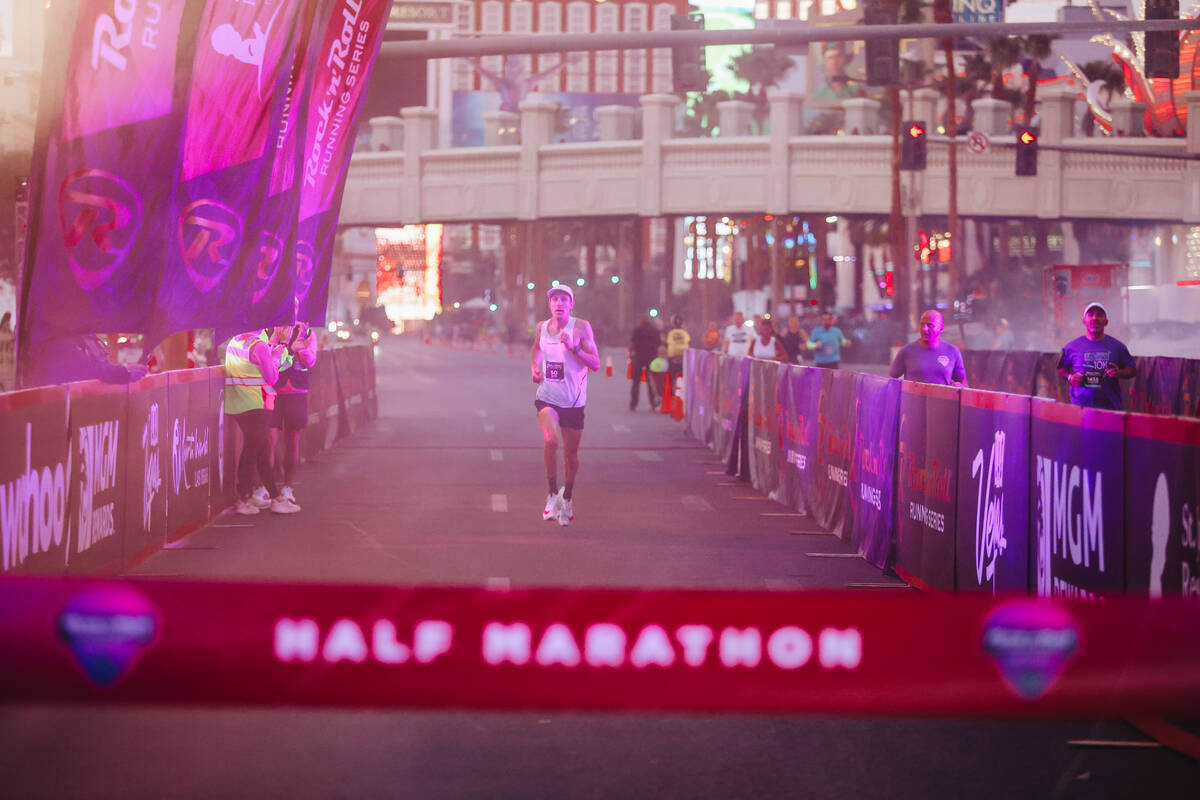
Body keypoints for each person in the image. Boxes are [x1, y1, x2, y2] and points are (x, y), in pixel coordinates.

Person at [532, 285, 600, 526]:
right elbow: (536, 349)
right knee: (550, 440)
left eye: (563, 299)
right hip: (548, 397)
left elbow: (596, 363)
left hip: (573, 402)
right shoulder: (542, 327)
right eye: (554, 299)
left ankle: (567, 498)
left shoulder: (581, 327)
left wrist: (574, 348)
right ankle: (551, 495)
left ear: (571, 304)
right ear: (549, 304)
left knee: (570, 456)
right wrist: (535, 367)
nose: (558, 303)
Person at [224, 329, 301, 515]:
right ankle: (243, 498)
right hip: (257, 403)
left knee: (263, 450)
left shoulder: (234, 341)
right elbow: (272, 377)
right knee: (252, 451)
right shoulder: (259, 346)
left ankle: (274, 497)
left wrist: (276, 353)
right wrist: (275, 355)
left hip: (238, 402)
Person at [261, 323, 317, 504]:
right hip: (273, 391)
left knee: (292, 440)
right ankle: (265, 486)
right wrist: (278, 341)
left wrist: (302, 348)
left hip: (296, 391)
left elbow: (310, 361)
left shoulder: (307, 333)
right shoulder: (269, 329)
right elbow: (266, 357)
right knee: (269, 439)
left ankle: (287, 487)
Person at [1056, 301, 1135, 410]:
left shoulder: (1118, 346)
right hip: (1080, 406)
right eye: (1090, 315)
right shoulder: (1072, 347)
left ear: (1106, 322)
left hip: (1110, 406)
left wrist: (1119, 372)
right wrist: (1070, 377)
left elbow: (1132, 370)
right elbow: (1060, 367)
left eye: (1099, 315)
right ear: (1084, 321)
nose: (1095, 318)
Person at [888, 309, 968, 387]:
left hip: (942, 400)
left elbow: (963, 384)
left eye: (930, 325)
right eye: (922, 324)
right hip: (912, 400)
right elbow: (890, 380)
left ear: (941, 328)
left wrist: (959, 386)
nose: (924, 329)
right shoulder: (906, 351)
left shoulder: (953, 352)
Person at [628, 315, 661, 411]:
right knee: (651, 381)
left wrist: (630, 353)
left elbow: (632, 343)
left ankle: (633, 403)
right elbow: (658, 344)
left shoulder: (637, 329)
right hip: (651, 357)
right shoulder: (655, 330)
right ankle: (653, 403)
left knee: (636, 381)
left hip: (638, 356)